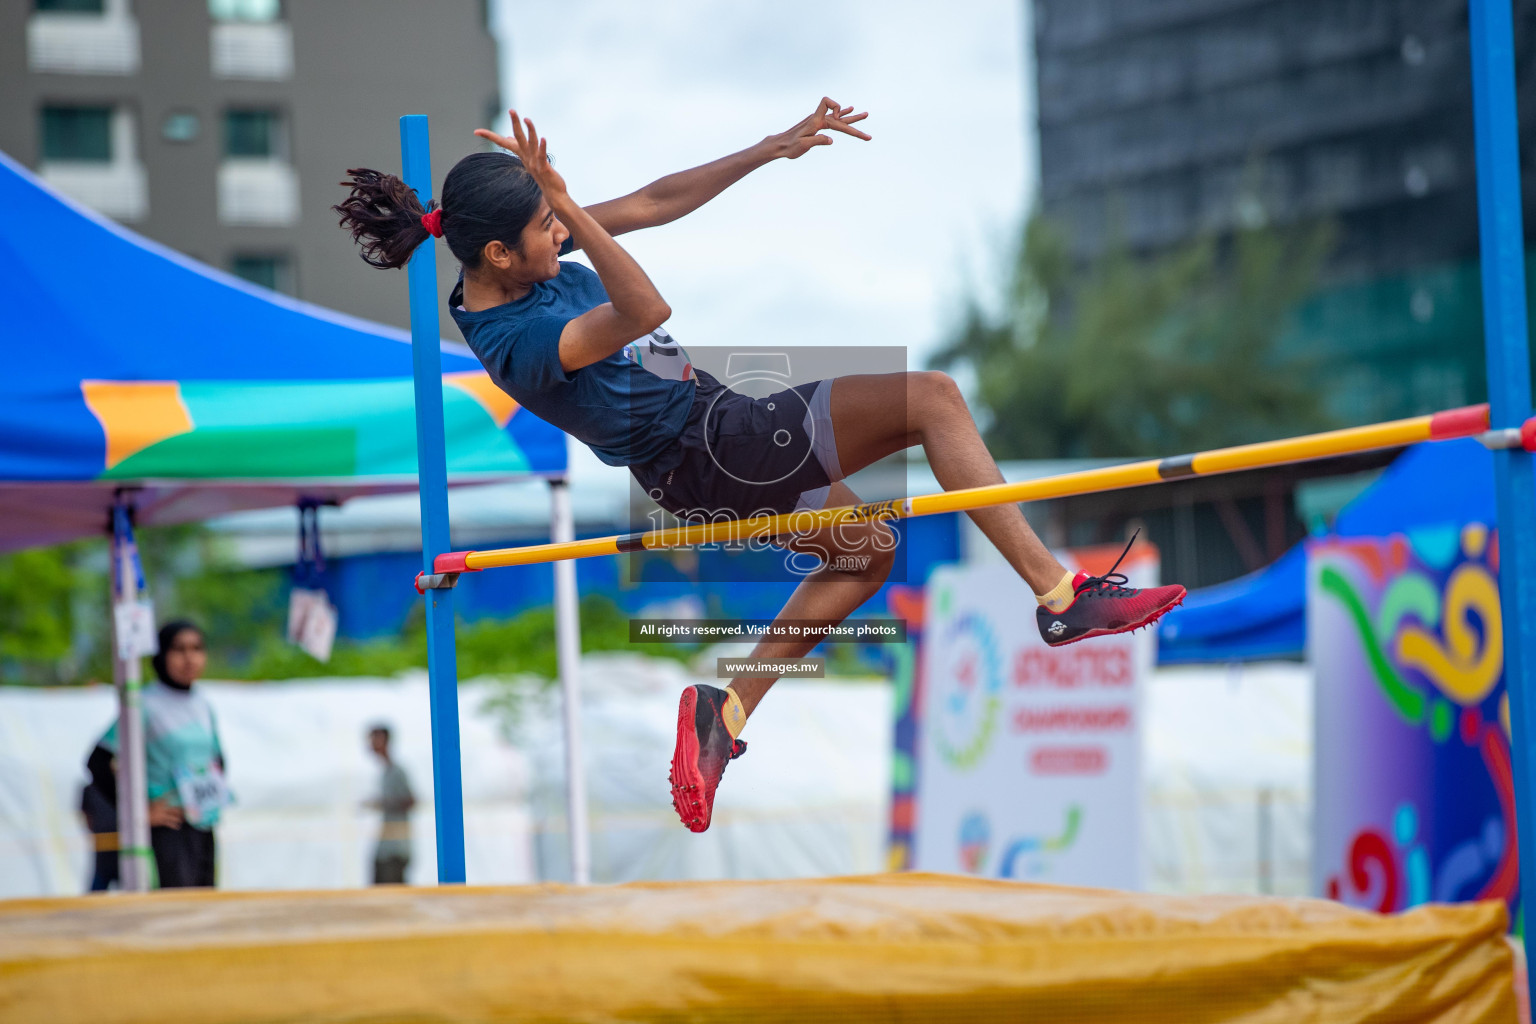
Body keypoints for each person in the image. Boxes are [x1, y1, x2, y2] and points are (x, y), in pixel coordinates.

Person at [334, 97, 1186, 834]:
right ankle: (1060, 596)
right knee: (931, 401)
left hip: (712, 439)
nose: (561, 237)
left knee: (866, 552)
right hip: (711, 446)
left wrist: (768, 148)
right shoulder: (516, 342)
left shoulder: (526, 254)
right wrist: (566, 207)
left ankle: (726, 709)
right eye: (545, 232)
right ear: (497, 258)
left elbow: (658, 200)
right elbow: (644, 308)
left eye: (558, 224)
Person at [85, 620, 229, 887]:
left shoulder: (202, 705)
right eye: (179, 649)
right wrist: (136, 810)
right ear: (161, 655)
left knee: (206, 911)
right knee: (174, 913)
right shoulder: (145, 704)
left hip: (201, 825)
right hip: (166, 830)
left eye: (197, 648)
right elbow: (98, 761)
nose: (189, 658)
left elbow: (217, 759)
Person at [365, 723, 415, 884]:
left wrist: (383, 804)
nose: (371, 743)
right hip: (386, 845)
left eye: (375, 739)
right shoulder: (386, 771)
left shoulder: (397, 771)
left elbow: (411, 801)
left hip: (396, 847)